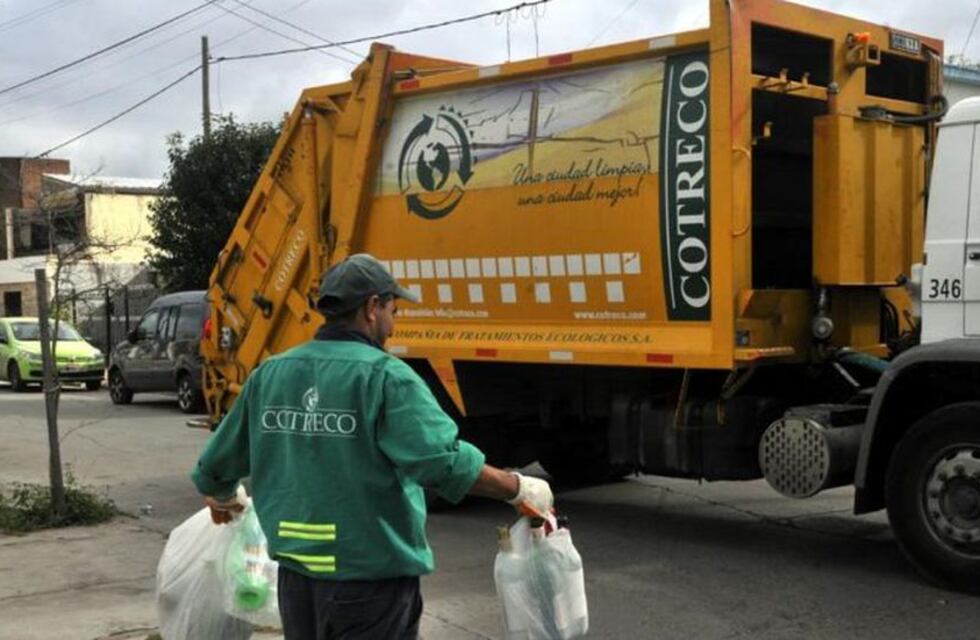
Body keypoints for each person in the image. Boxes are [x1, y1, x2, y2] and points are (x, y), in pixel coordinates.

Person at [191, 253, 553, 640]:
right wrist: (517, 488)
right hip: (369, 583)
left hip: (296, 585)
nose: (393, 325)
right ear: (371, 307)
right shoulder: (385, 377)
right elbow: (442, 463)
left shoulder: (270, 374)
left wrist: (227, 497)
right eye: (393, 311)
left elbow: (214, 468)